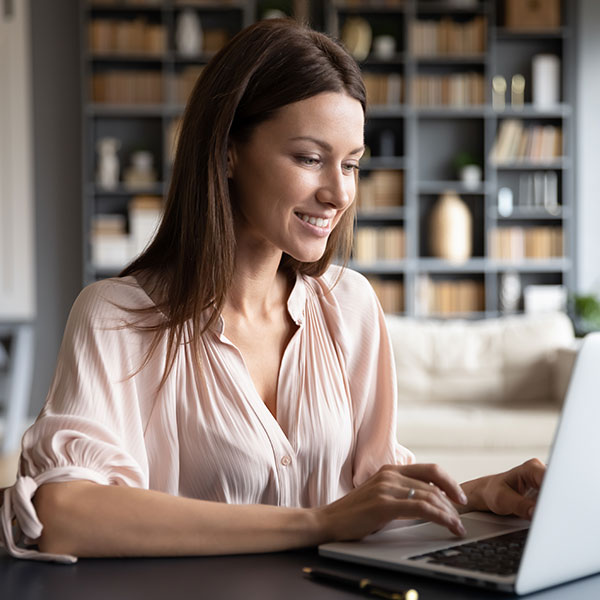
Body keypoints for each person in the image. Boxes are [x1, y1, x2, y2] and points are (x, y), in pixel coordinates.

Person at [0, 19, 545, 563]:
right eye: (310, 158)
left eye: (351, 165)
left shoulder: (350, 306)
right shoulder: (117, 317)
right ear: (229, 151)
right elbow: (65, 514)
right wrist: (319, 523)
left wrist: (475, 496)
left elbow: (368, 499)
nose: (338, 193)